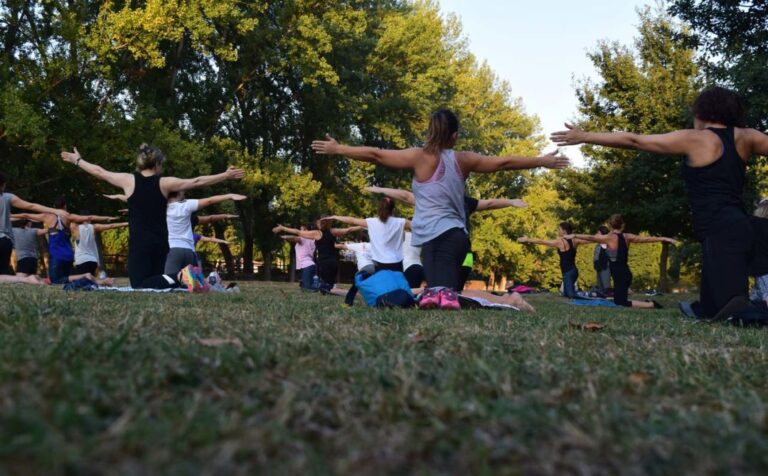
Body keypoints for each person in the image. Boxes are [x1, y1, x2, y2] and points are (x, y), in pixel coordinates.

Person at [313, 109, 568, 310]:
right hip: (456, 238)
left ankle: (508, 301)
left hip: (440, 239)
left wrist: (339, 149)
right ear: (454, 136)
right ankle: (504, 300)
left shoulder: (419, 157)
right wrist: (541, 161)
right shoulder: (463, 159)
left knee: (444, 296)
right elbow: (503, 162)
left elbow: (376, 155)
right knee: (440, 294)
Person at [552, 86, 768, 319]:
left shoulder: (695, 138)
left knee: (733, 312)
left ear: (702, 113)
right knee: (710, 309)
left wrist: (585, 136)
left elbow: (635, 141)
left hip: (720, 232)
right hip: (739, 227)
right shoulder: (748, 136)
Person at [61, 144, 245, 288]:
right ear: (157, 164)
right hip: (161, 244)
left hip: (140, 244)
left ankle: (182, 276)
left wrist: (78, 161)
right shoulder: (165, 183)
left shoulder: (128, 180)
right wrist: (225, 175)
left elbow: (99, 172)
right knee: (160, 282)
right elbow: (197, 181)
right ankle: (192, 278)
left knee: (140, 284)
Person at [364, 186, 527, 291]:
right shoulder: (465, 202)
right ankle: (454, 295)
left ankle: (451, 295)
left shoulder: (436, 201)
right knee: (455, 286)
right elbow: (490, 203)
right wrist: (511, 201)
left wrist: (380, 190)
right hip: (465, 251)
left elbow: (406, 196)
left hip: (448, 251)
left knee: (448, 287)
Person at [566, 214, 677, 309]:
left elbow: (590, 237)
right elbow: (646, 239)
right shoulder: (627, 236)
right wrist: (665, 238)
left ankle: (651, 304)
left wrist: (574, 235)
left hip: (620, 275)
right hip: (625, 273)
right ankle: (647, 303)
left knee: (620, 302)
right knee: (618, 300)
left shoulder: (608, 238)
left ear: (609, 225)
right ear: (622, 224)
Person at [14, 198, 117, 285]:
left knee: (55, 281)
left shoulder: (47, 216)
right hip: (68, 254)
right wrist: (108, 218)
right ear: (65, 206)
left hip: (56, 255)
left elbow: (25, 215)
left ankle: (87, 276)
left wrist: (10, 216)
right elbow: (90, 217)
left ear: (54, 206)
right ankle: (95, 280)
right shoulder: (68, 217)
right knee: (66, 280)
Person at [0, 172, 68, 276]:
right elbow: (31, 206)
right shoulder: (8, 197)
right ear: (3, 185)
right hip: (5, 241)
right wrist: (55, 211)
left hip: (6, 242)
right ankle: (30, 279)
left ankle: (26, 280)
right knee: (3, 275)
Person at [164, 191, 245, 275]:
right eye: (183, 191)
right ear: (178, 193)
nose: (184, 193)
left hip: (172, 249)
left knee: (170, 280)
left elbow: (210, 215)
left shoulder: (160, 209)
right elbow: (209, 205)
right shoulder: (186, 206)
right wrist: (229, 196)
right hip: (189, 252)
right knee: (193, 283)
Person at [272, 219, 363, 292]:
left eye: (318, 222)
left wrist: (283, 228)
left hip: (324, 263)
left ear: (321, 224)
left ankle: (345, 293)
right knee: (329, 286)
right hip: (334, 263)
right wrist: (362, 225)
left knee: (325, 288)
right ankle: (333, 289)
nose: (317, 224)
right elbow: (349, 229)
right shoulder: (334, 231)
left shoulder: (317, 234)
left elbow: (297, 232)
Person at [322, 197, 410, 272]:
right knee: (397, 287)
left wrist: (335, 216)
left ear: (379, 209)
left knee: (383, 288)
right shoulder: (401, 222)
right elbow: (418, 226)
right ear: (393, 210)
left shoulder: (371, 222)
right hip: (397, 262)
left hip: (380, 262)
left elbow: (352, 220)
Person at [517, 222, 584, 298]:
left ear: (564, 231)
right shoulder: (574, 240)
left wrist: (527, 239)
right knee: (566, 294)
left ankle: (588, 296)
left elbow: (542, 241)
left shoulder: (560, 242)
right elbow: (590, 239)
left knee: (571, 295)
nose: (558, 231)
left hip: (568, 273)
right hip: (572, 271)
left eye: (559, 229)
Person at [335, 241, 375, 305]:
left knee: (354, 286)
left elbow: (342, 246)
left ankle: (348, 303)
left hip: (364, 269)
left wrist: (333, 245)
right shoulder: (374, 246)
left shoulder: (358, 245)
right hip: (374, 269)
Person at [279, 223, 318, 291]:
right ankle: (317, 282)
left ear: (307, 230)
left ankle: (320, 284)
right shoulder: (313, 240)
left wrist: (284, 237)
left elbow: (294, 238)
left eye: (302, 230)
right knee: (303, 287)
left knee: (308, 289)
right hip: (310, 265)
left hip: (306, 266)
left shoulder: (303, 239)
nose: (300, 232)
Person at [593, 226, 612, 293]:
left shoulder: (606, 243)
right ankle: (602, 295)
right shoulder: (599, 243)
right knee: (600, 285)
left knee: (606, 285)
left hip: (605, 266)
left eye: (598, 233)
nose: (597, 235)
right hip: (598, 265)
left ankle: (610, 296)